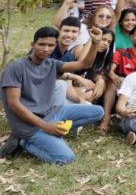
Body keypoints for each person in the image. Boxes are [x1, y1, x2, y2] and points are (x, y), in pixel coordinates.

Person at [1, 26, 105, 164]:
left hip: (51, 113)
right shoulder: (16, 68)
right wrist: (45, 126)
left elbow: (84, 64)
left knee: (98, 111)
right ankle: (25, 143)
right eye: (42, 44)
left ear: (55, 46)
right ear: (33, 45)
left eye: (50, 45)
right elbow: (14, 105)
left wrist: (95, 43)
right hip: (29, 126)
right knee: (66, 158)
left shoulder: (51, 64)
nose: (46, 49)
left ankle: (52, 134)